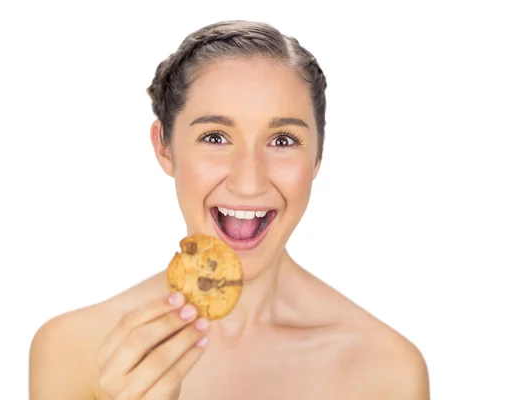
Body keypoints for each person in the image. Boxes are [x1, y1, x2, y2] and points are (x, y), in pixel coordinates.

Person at [29, 20, 430, 399]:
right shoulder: (74, 349)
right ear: (164, 148)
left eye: (284, 140)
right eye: (216, 137)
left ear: (318, 158)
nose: (249, 180)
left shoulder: (388, 368)